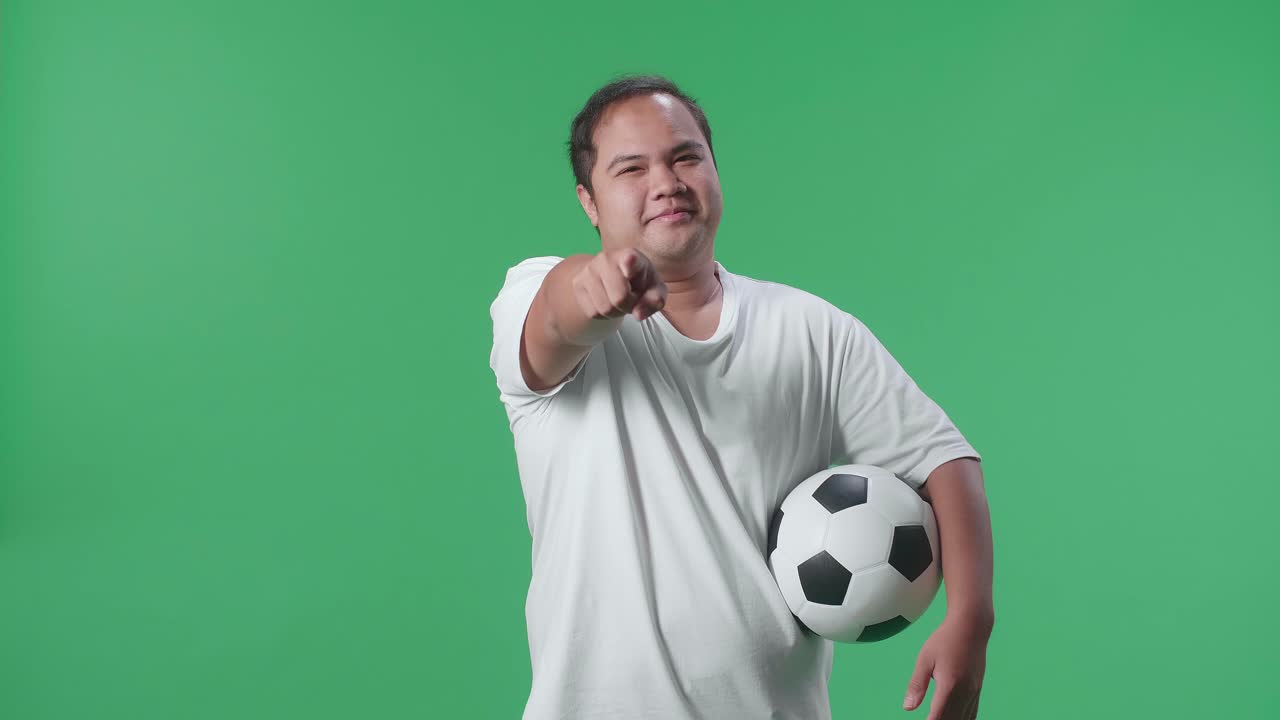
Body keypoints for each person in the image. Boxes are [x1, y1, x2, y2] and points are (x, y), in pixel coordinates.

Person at [488, 74, 994, 720]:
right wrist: (597, 287)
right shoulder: (537, 297)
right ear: (589, 202)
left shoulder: (812, 330)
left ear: (714, 170)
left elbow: (942, 458)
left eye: (685, 157)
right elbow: (559, 314)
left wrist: (970, 618)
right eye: (631, 169)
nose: (666, 182)